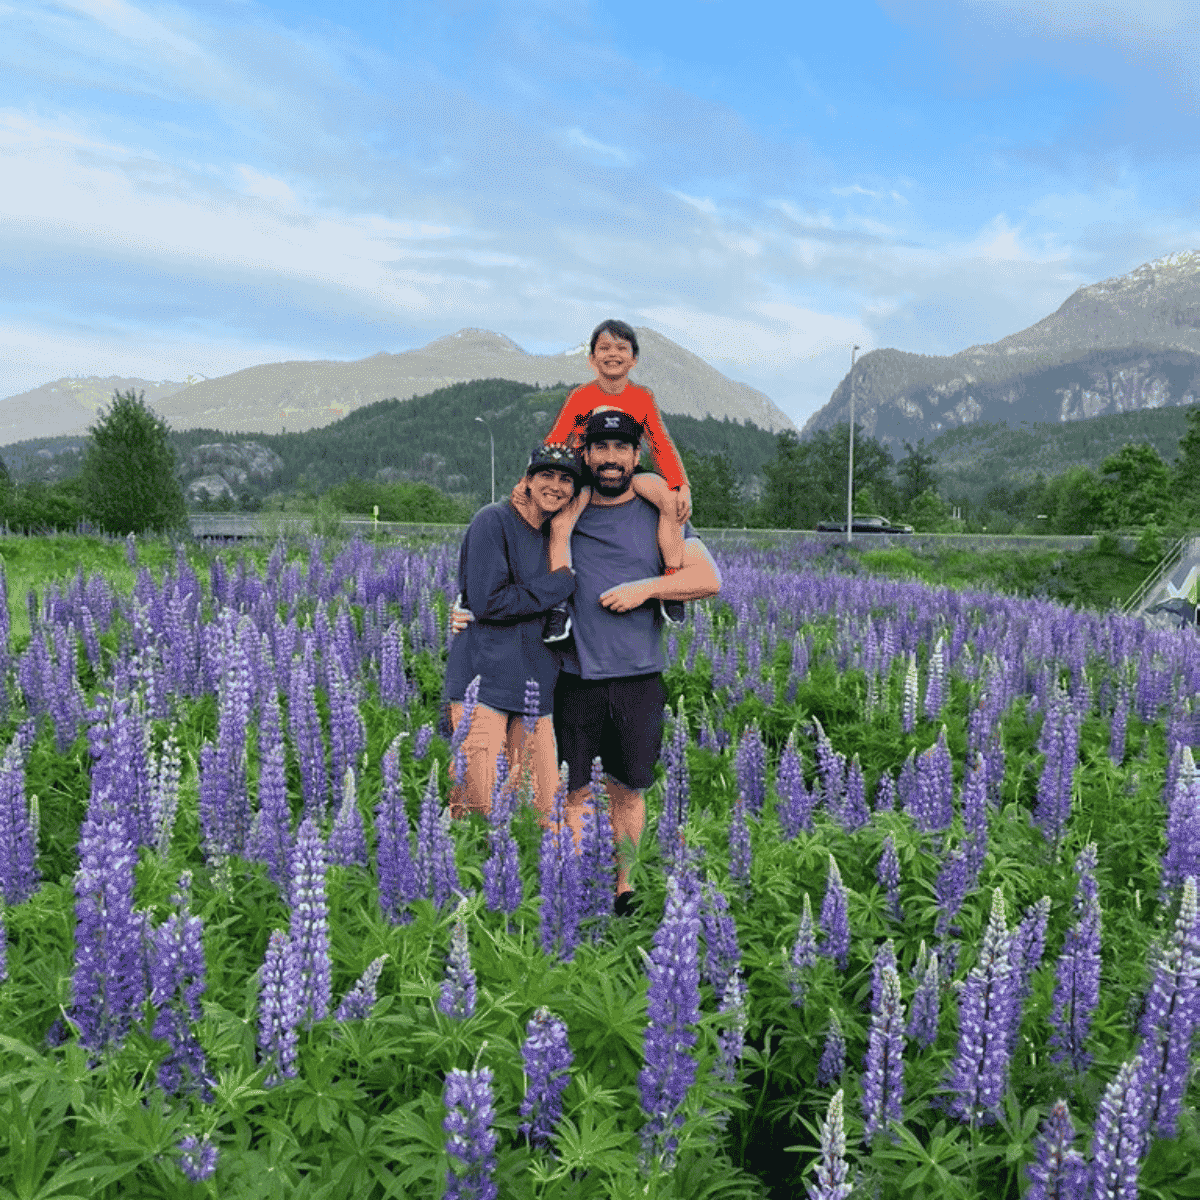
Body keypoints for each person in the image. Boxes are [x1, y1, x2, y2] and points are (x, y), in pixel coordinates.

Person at [455, 410, 722, 910]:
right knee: (572, 793)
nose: (611, 458)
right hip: (572, 675)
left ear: (635, 456)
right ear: (588, 455)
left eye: (621, 448)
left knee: (629, 788)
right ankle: (573, 888)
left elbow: (708, 577)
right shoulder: (564, 511)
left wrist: (647, 589)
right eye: (600, 448)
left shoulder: (660, 510)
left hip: (639, 675)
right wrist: (465, 604)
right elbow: (510, 561)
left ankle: (626, 890)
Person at [443, 443, 589, 818]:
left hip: (536, 689)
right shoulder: (493, 521)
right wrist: (559, 585)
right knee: (479, 808)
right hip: (483, 683)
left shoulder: (560, 537)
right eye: (546, 475)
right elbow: (488, 602)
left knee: (543, 809)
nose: (555, 485)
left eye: (565, 479)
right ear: (527, 479)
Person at [539, 319, 692, 636]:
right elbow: (556, 439)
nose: (613, 354)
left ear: (634, 359)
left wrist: (681, 485)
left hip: (626, 471)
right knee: (560, 524)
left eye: (621, 348)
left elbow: (659, 442)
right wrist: (538, 479)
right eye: (604, 348)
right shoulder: (580, 397)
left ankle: (671, 581)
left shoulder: (642, 397)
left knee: (667, 498)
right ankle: (558, 606)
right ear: (591, 359)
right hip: (585, 470)